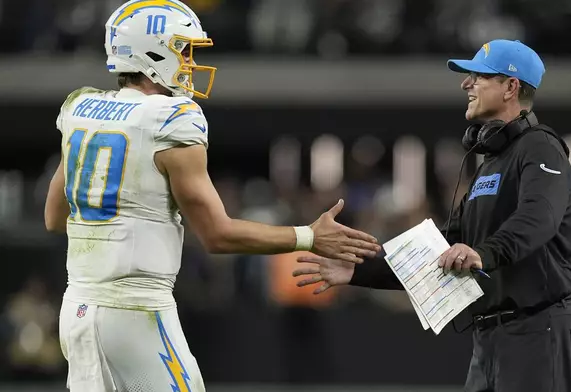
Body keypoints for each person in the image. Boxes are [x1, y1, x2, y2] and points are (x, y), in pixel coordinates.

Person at [43, 1, 380, 390]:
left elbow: (54, 218)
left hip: (77, 309)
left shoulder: (82, 110)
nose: (188, 61)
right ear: (152, 50)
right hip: (137, 311)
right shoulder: (171, 119)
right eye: (182, 49)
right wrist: (310, 237)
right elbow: (217, 235)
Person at [293, 39, 571, 391]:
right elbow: (441, 247)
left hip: (540, 329)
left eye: (479, 76)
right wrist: (358, 268)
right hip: (492, 337)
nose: (466, 84)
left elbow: (539, 218)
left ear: (511, 87)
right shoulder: (490, 163)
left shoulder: (541, 147)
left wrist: (483, 253)